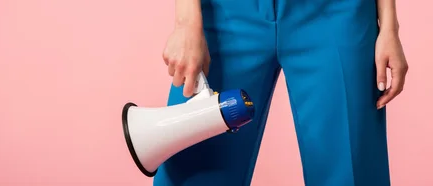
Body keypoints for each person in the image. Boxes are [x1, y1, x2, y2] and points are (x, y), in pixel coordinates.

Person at [157, 0, 408, 186]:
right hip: (225, 12)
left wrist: (389, 26)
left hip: (336, 13)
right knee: (192, 166)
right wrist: (186, 23)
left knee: (350, 172)